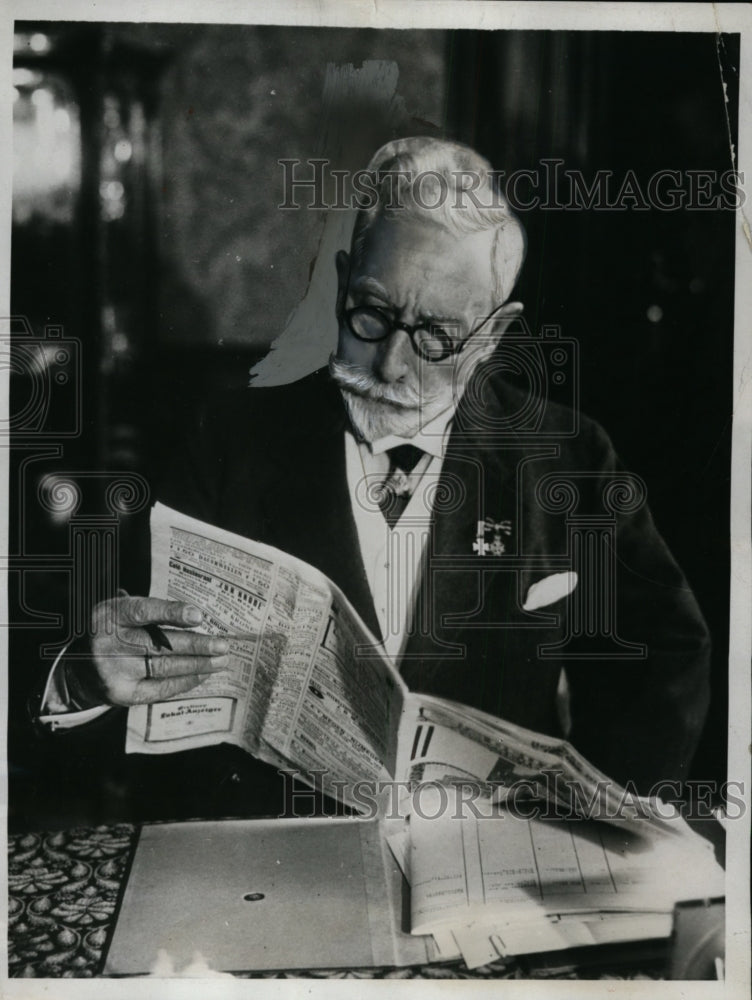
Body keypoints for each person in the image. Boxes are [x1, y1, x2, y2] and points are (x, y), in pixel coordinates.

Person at [34, 136, 711, 818]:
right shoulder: (229, 439)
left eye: (436, 336)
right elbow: (112, 679)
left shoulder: (568, 459)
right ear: (341, 280)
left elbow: (668, 653)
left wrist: (591, 825)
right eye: (372, 313)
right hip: (266, 870)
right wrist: (88, 674)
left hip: (481, 867)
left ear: (494, 335)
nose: (389, 364)